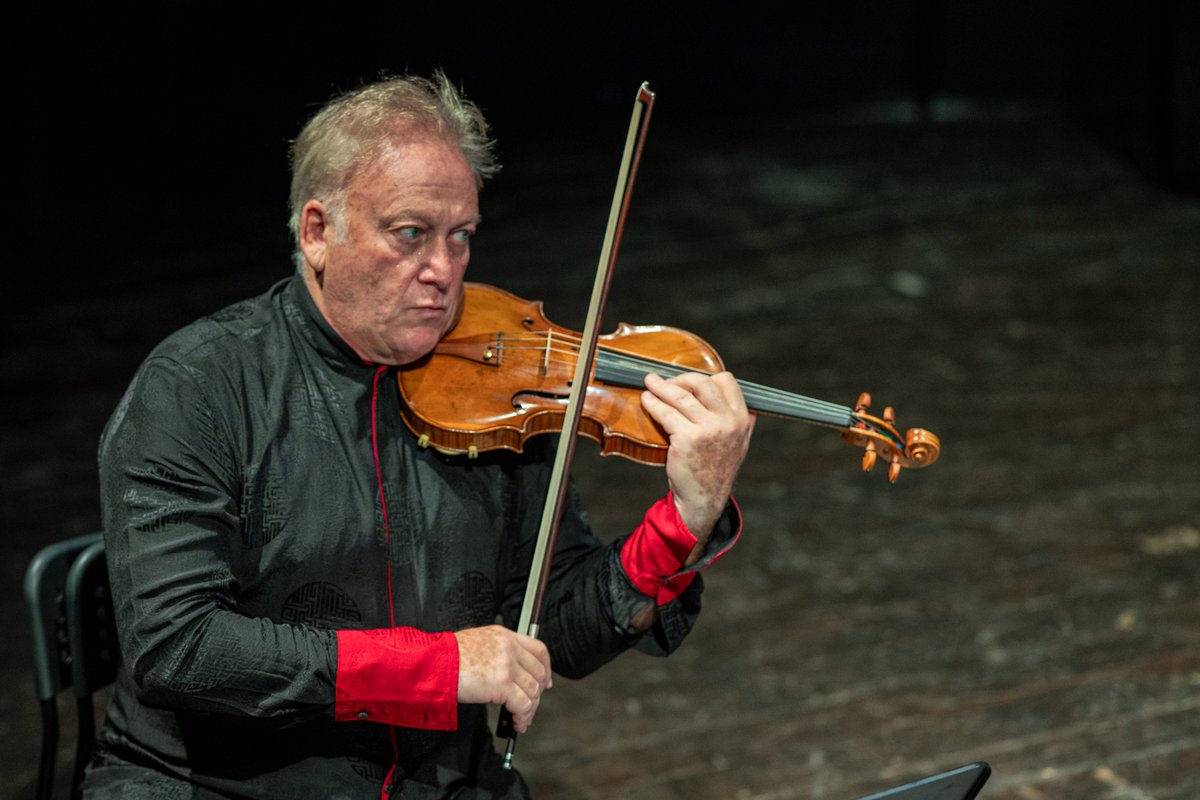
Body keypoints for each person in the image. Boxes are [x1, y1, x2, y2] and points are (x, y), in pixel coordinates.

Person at [85, 73, 754, 800]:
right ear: (317, 231)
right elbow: (177, 647)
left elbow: (557, 627)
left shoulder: (496, 393)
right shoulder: (198, 387)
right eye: (410, 235)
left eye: (460, 237)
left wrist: (686, 518)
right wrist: (437, 668)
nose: (443, 273)